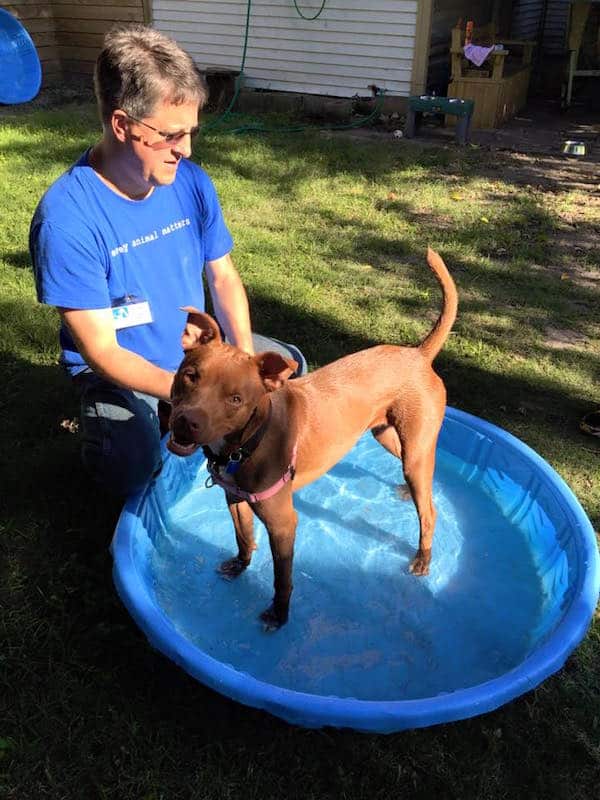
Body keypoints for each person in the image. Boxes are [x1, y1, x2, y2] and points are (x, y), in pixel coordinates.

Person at [30, 23, 306, 496]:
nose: (187, 149)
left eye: (192, 132)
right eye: (172, 135)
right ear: (122, 125)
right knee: (132, 465)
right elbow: (103, 351)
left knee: (291, 370)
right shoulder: (66, 220)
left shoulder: (191, 183)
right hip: (122, 370)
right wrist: (186, 399)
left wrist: (246, 365)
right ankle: (112, 439)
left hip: (195, 355)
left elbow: (222, 276)